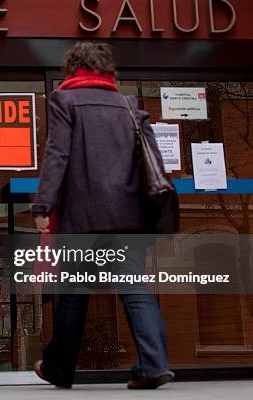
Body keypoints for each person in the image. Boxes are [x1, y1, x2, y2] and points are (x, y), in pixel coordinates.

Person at [31, 42, 174, 390]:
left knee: (73, 293)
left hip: (82, 219)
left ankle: (59, 369)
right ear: (107, 70)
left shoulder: (64, 101)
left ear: (72, 69)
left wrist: (43, 205)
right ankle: (154, 365)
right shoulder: (129, 107)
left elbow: (57, 156)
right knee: (136, 289)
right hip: (130, 216)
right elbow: (152, 160)